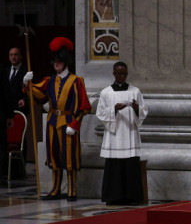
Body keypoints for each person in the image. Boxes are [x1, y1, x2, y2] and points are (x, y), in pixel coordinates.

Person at [23, 37, 91, 201]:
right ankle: (55, 188)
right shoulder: (50, 80)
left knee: (70, 157)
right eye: (55, 62)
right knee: (54, 156)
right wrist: (27, 83)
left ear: (65, 62)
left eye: (59, 62)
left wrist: (75, 124)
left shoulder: (76, 81)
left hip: (68, 121)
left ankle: (72, 190)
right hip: (52, 121)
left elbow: (83, 106)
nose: (56, 65)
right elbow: (38, 94)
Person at [96, 61, 147, 205]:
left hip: (130, 133)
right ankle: (113, 197)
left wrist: (137, 109)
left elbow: (144, 111)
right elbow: (100, 113)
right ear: (114, 74)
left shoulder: (135, 91)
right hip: (114, 136)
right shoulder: (106, 92)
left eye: (124, 73)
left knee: (130, 166)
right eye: (119, 73)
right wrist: (115, 110)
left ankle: (132, 197)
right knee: (115, 167)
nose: (122, 76)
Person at [1, 47, 27, 177]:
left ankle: (20, 170)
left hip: (19, 108)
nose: (13, 57)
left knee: (20, 139)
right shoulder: (5, 71)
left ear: (20, 56)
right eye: (11, 55)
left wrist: (25, 99)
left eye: (16, 55)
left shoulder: (26, 72)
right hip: (8, 109)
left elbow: (29, 89)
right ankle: (7, 170)